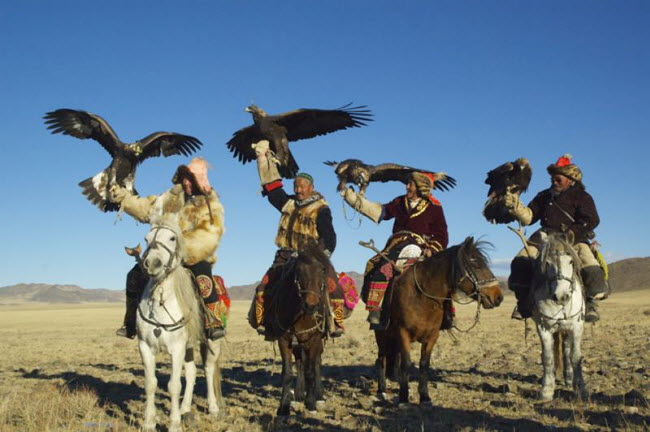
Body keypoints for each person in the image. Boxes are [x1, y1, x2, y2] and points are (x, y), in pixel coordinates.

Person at [110, 157, 227, 339]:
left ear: (199, 181)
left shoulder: (210, 204)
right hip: (162, 252)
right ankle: (131, 323)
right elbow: (146, 209)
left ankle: (214, 322)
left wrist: (182, 250)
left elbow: (209, 235)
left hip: (192, 256)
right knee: (134, 276)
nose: (187, 182)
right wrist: (123, 196)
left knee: (204, 278)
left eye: (191, 178)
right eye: (184, 177)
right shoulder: (169, 199)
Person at [248, 140, 346, 338]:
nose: (298, 190)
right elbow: (273, 191)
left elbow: (330, 237)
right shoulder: (288, 203)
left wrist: (322, 258)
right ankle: (266, 323)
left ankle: (336, 322)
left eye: (302, 187)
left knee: (333, 286)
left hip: (310, 258)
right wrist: (263, 160)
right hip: (284, 257)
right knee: (263, 288)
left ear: (311, 188)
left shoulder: (321, 209)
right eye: (296, 187)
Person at [505, 154, 608, 322]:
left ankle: (591, 304)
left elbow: (592, 220)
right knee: (520, 261)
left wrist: (570, 233)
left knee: (590, 265)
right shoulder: (543, 196)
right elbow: (529, 217)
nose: (554, 181)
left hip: (573, 239)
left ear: (570, 179)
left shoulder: (582, 197)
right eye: (553, 179)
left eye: (558, 179)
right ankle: (523, 303)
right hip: (544, 238)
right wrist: (516, 206)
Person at [341, 172, 450, 329]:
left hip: (422, 247)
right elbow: (381, 212)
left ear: (420, 187)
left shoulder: (435, 208)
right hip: (396, 245)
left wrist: (431, 249)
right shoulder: (399, 202)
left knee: (444, 278)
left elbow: (442, 235)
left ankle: (446, 315)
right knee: (378, 268)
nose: (407, 187)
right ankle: (375, 310)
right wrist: (355, 201)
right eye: (407, 184)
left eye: (410, 184)